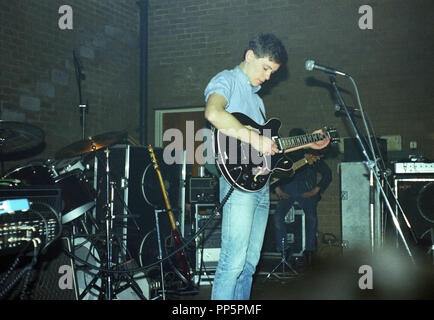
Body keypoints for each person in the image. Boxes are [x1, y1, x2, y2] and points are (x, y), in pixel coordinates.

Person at [203, 33, 330, 300]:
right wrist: (253, 137)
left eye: (272, 72)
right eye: (266, 68)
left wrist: (309, 143)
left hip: (261, 188)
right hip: (237, 185)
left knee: (249, 266)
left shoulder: (258, 101)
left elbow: (269, 147)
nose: (268, 77)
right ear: (250, 56)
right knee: (232, 263)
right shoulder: (226, 80)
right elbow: (214, 113)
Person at [273, 128, 332, 267]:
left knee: (311, 218)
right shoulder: (283, 156)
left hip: (306, 189)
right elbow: (273, 171)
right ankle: (283, 251)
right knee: (277, 217)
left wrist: (316, 190)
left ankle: (309, 252)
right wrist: (277, 188)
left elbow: (327, 173)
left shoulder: (310, 154)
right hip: (287, 188)